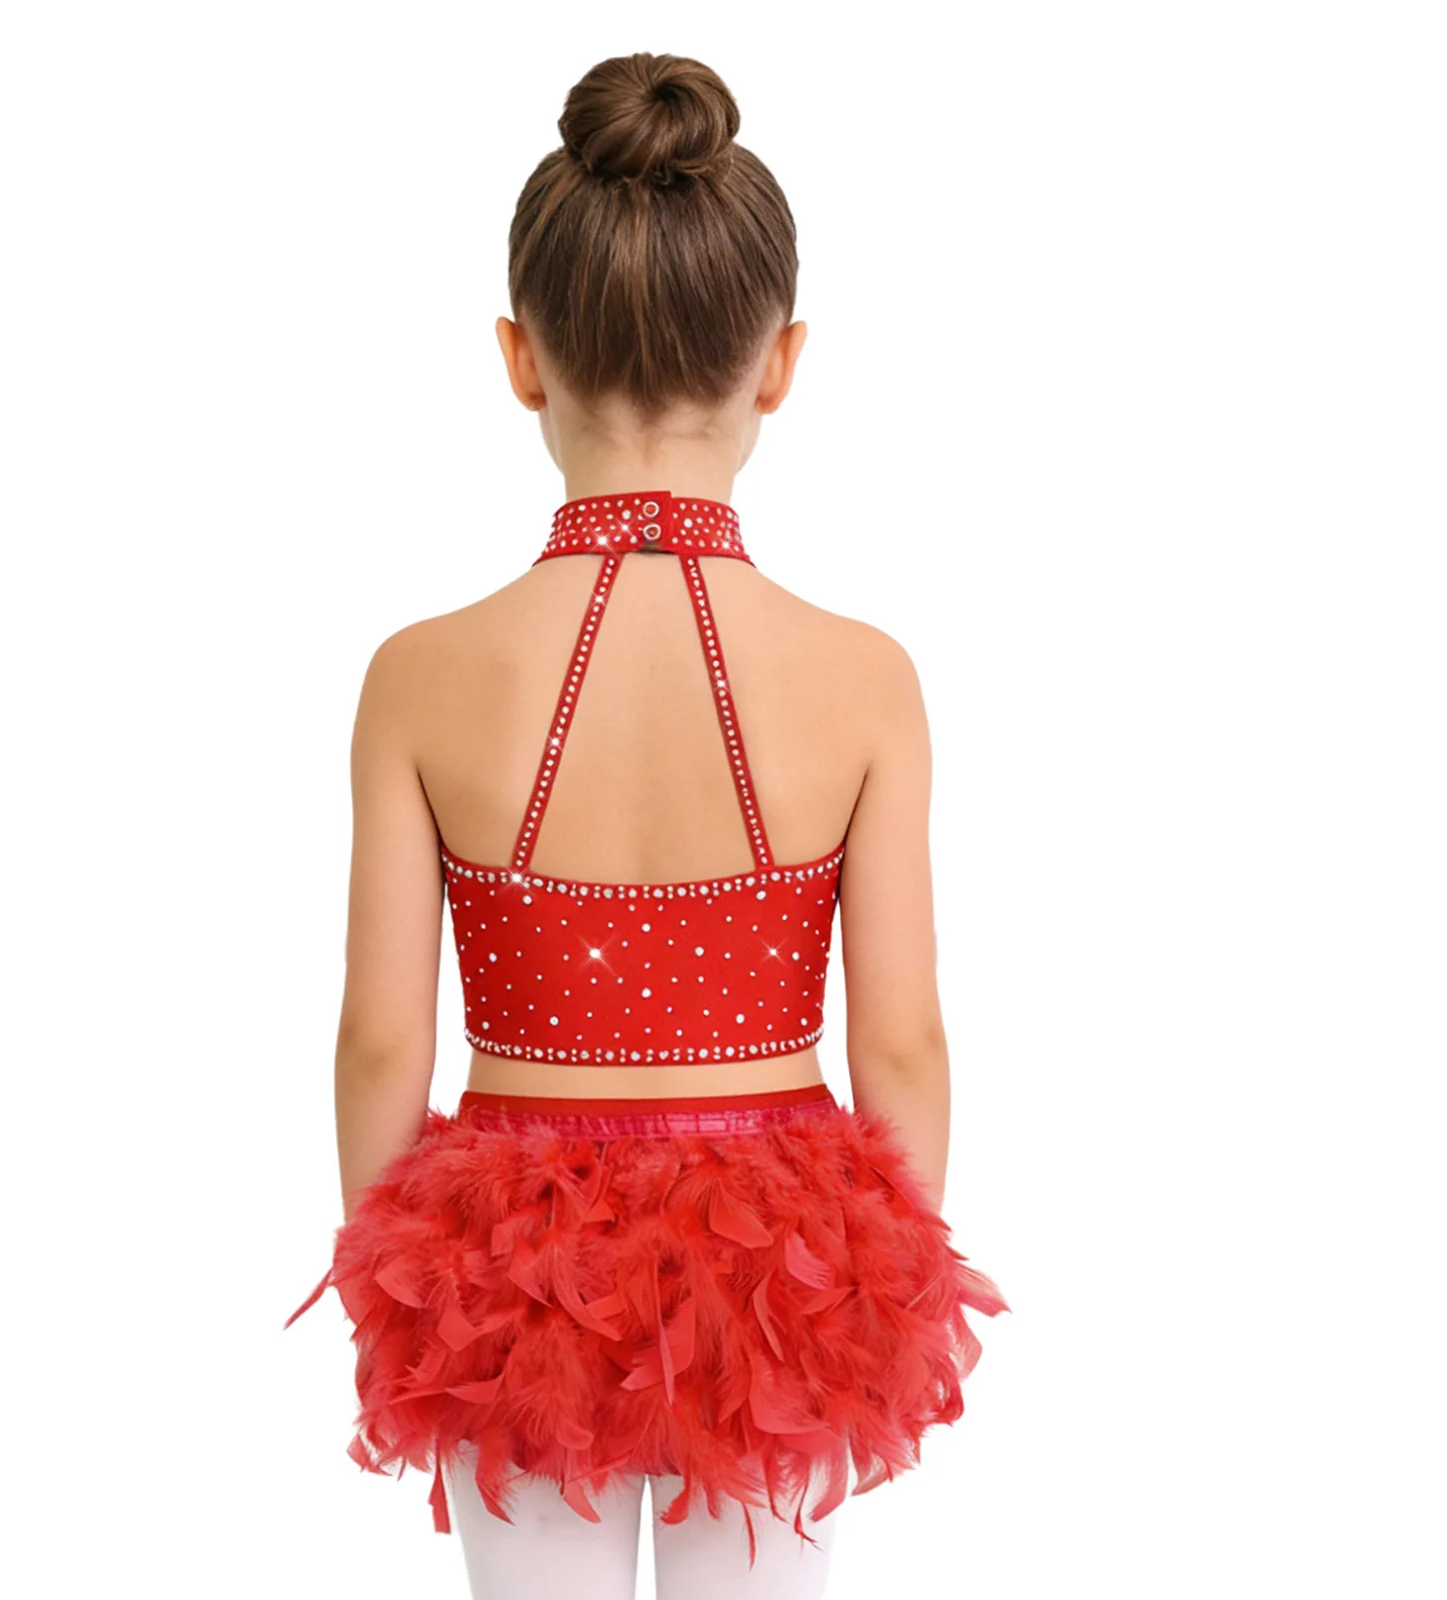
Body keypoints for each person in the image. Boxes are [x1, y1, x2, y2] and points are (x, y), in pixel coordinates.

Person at [287, 50, 1008, 1600]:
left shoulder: (421, 675)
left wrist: (391, 1286)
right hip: (781, 1260)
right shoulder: (864, 679)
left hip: (508, 1258)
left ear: (520, 356)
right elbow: (902, 1044)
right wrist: (885, 1288)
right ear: (780, 362)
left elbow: (378, 1041)